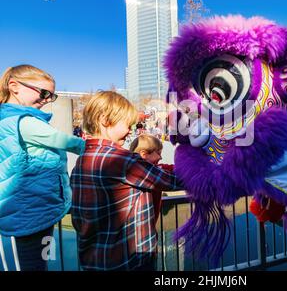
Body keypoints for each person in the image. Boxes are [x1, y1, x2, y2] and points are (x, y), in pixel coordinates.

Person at [70, 91, 182, 271]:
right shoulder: (123, 160)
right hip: (129, 259)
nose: (131, 130)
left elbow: (79, 216)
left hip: (94, 258)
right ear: (105, 120)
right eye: (127, 124)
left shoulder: (82, 160)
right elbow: (174, 181)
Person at [0, 65, 85, 271]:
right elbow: (64, 140)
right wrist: (97, 148)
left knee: (39, 262)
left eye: (52, 96)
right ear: (14, 87)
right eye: (44, 93)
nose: (47, 99)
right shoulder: (23, 121)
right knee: (33, 264)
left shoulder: (15, 119)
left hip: (34, 208)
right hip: (29, 211)